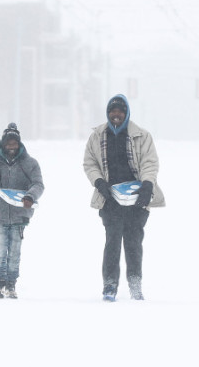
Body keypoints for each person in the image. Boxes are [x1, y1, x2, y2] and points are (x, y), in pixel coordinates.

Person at [83, 94, 165, 302]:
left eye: (120, 111)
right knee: (112, 242)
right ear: (108, 113)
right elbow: (89, 163)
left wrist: (147, 184)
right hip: (110, 199)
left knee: (134, 243)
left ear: (127, 112)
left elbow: (150, 163)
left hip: (137, 200)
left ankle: (135, 284)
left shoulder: (142, 136)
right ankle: (109, 285)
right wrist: (99, 182)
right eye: (113, 110)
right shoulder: (97, 137)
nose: (116, 114)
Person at [0, 123, 44, 299]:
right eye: (9, 144)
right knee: (0, 249)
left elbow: (38, 184)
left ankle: (11, 285)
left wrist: (30, 196)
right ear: (2, 144)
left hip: (20, 215)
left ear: (19, 144)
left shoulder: (30, 164)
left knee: (14, 251)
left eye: (15, 143)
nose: (11, 147)